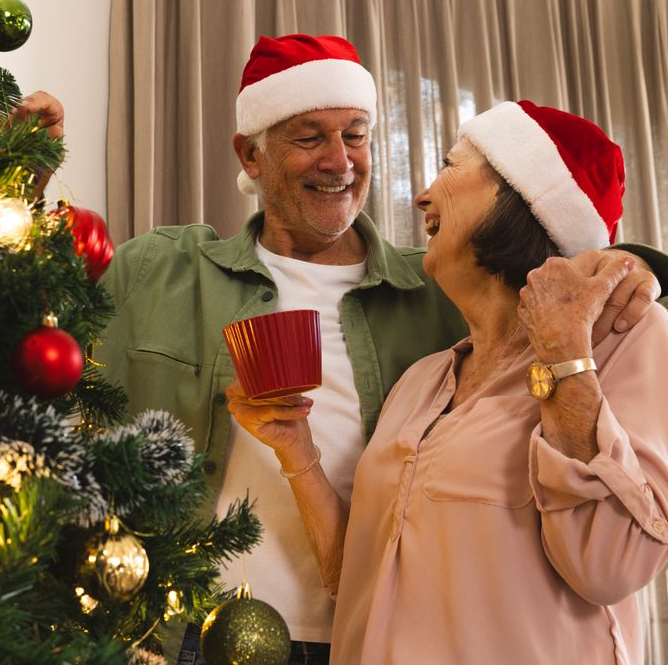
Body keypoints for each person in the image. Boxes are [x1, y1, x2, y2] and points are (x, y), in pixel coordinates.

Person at [90, 35, 667, 664]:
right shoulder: (163, 270)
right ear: (251, 156)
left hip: (345, 639)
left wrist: (625, 265)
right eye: (308, 137)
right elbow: (40, 327)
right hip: (187, 634)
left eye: (357, 135)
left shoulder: (440, 289)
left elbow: (543, 268)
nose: (340, 161)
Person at [227, 99, 668, 662]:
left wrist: (563, 350)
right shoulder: (423, 381)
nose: (422, 195)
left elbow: (612, 564)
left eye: (450, 166)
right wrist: (295, 447)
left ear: (521, 199)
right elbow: (359, 575)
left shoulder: (628, 338)